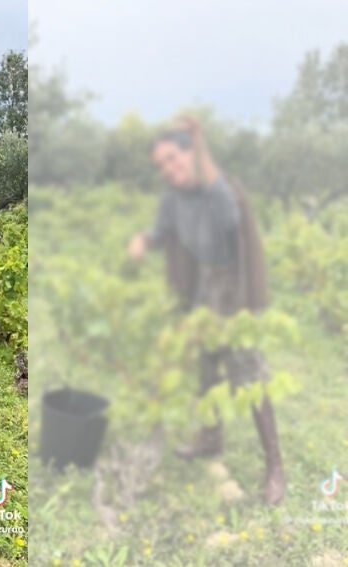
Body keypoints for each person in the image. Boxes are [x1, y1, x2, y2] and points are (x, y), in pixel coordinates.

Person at [128, 118, 284, 505]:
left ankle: (275, 466)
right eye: (161, 164)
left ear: (191, 154)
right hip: (202, 289)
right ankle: (211, 439)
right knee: (206, 368)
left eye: (172, 158)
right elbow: (162, 232)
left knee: (249, 376)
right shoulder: (173, 198)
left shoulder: (220, 190)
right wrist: (144, 241)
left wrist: (200, 142)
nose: (168, 169)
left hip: (233, 289)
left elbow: (228, 215)